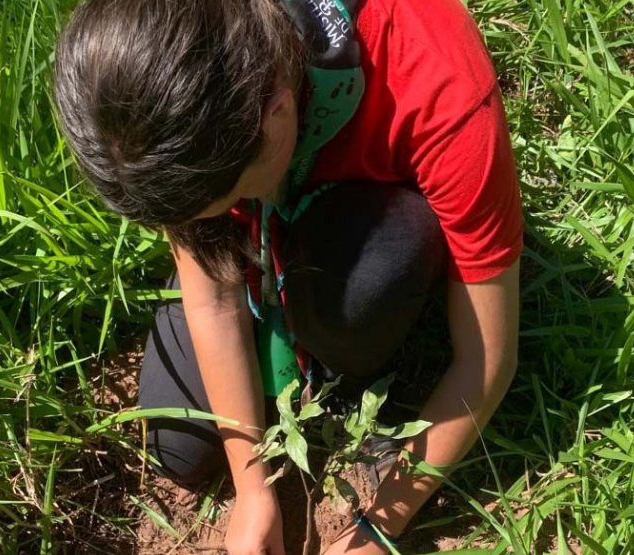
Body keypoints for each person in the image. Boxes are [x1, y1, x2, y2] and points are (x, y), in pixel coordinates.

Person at [53, 0, 523, 553]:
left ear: (274, 117)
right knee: (178, 446)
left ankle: (345, 363)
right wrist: (252, 488)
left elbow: (487, 362)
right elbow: (211, 301)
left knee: (366, 290)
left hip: (361, 229)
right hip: (251, 198)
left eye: (216, 201)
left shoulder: (437, 81)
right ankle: (279, 303)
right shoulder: (168, 61)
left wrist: (377, 528)